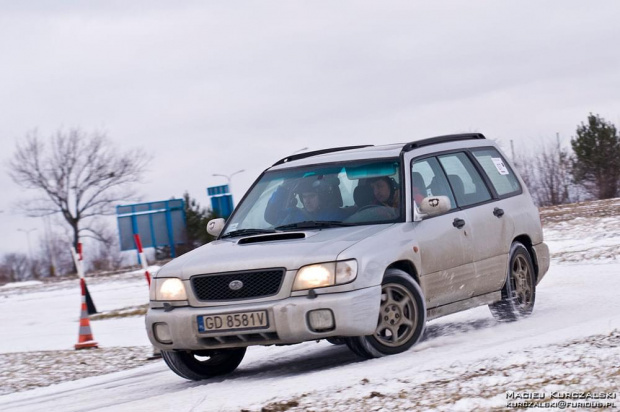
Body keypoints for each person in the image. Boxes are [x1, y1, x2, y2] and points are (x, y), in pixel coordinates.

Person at [264, 175, 348, 226]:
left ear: (322, 197)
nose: (307, 201)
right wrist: (283, 188)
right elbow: (270, 216)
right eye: (304, 197)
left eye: (312, 196)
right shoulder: (293, 214)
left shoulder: (336, 216)